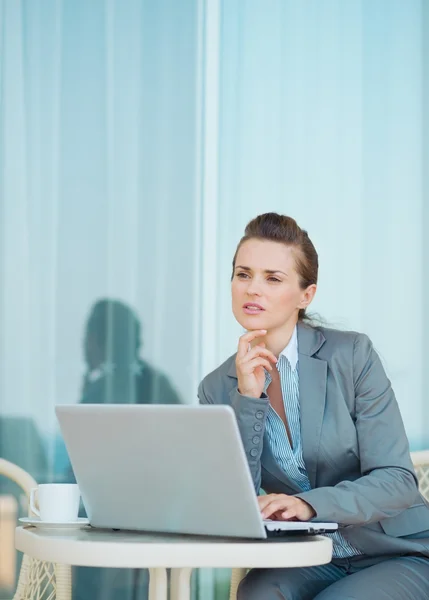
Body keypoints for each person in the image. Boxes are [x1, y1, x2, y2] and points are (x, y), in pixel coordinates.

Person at [198, 213, 429, 599]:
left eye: (273, 278)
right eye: (243, 274)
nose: (253, 289)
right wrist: (248, 399)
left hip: (394, 553)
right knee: (257, 594)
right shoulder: (217, 388)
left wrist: (308, 504)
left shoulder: (352, 356)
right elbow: (237, 503)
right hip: (307, 559)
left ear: (306, 296)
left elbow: (397, 481)